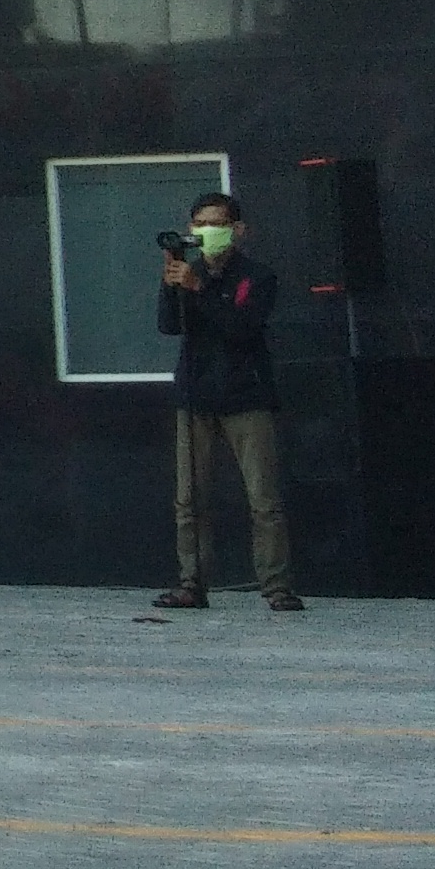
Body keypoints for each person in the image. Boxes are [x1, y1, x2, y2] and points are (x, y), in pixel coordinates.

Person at [152, 193, 294, 612]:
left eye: (215, 223)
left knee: (263, 498)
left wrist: (200, 291)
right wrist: (171, 284)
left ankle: (277, 586)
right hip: (196, 394)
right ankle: (191, 582)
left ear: (237, 230)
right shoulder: (188, 272)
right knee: (189, 498)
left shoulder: (256, 276)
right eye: (199, 224)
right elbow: (168, 326)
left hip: (246, 396)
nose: (206, 232)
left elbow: (243, 327)